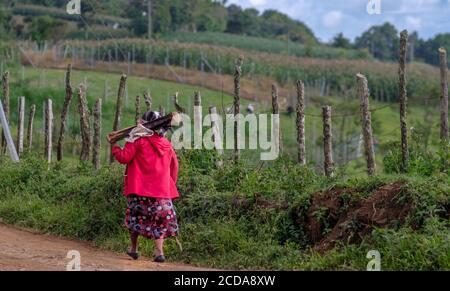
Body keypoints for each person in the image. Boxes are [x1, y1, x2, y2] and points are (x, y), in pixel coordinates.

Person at [111, 111, 179, 263]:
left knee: (136, 219)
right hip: (161, 192)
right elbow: (174, 166)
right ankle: (159, 252)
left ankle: (134, 249)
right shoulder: (167, 145)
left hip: (139, 190)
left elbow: (124, 158)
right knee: (160, 220)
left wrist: (114, 146)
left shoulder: (138, 140)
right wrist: (169, 185)